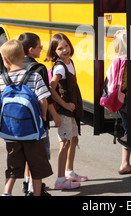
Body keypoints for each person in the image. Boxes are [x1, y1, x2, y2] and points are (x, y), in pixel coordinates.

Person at [0, 39, 53, 196]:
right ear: (24, 54)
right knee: (36, 167)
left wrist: (7, 119)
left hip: (11, 134)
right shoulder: (35, 77)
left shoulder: (1, 80)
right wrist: (43, 115)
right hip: (34, 133)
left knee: (13, 166)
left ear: (4, 60)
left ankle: (7, 192)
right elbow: (43, 100)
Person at [18, 32, 61, 196]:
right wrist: (54, 116)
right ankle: (35, 190)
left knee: (29, 154)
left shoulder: (16, 65)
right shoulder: (39, 68)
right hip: (37, 121)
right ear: (31, 50)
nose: (42, 49)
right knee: (40, 156)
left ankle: (27, 183)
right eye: (39, 47)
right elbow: (45, 97)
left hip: (21, 120)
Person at [45, 33, 86, 189]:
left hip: (72, 110)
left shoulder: (69, 62)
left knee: (74, 139)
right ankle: (60, 180)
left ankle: (69, 172)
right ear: (54, 52)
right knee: (65, 143)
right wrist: (65, 104)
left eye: (66, 46)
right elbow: (51, 88)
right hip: (65, 110)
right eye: (60, 48)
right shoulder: (60, 66)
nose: (64, 50)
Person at [110, 30, 131, 175]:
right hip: (129, 99)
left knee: (128, 127)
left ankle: (125, 163)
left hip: (120, 100)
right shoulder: (129, 60)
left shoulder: (118, 59)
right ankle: (126, 140)